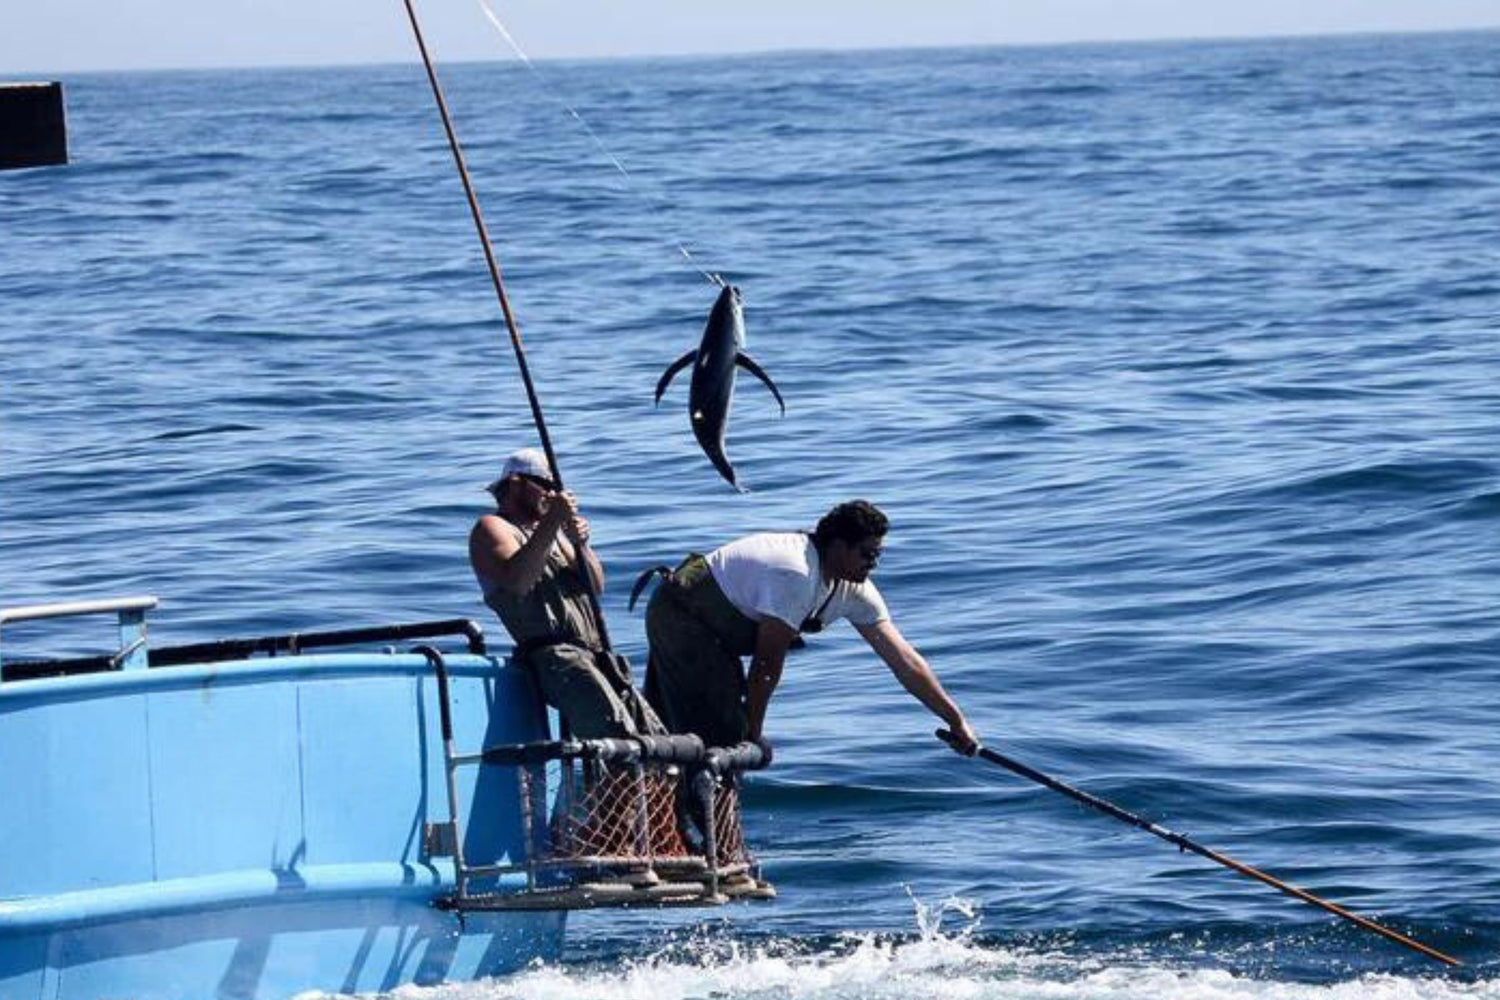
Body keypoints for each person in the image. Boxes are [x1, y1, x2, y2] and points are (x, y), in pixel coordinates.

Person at [643, 499, 978, 756]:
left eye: (878, 556)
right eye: (865, 554)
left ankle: (676, 826)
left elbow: (905, 662)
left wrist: (955, 719)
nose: (872, 564)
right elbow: (765, 666)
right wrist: (754, 733)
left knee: (687, 725)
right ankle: (690, 828)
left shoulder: (853, 588)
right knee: (721, 732)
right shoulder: (796, 573)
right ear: (836, 546)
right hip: (681, 616)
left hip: (718, 637)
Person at [469, 448, 661, 739]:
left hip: (595, 653)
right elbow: (518, 582)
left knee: (654, 735)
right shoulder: (492, 527)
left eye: (556, 489)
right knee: (619, 739)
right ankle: (624, 785)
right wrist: (551, 523)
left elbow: (595, 586)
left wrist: (581, 545)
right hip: (555, 657)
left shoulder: (554, 534)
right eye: (545, 486)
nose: (552, 494)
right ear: (517, 482)